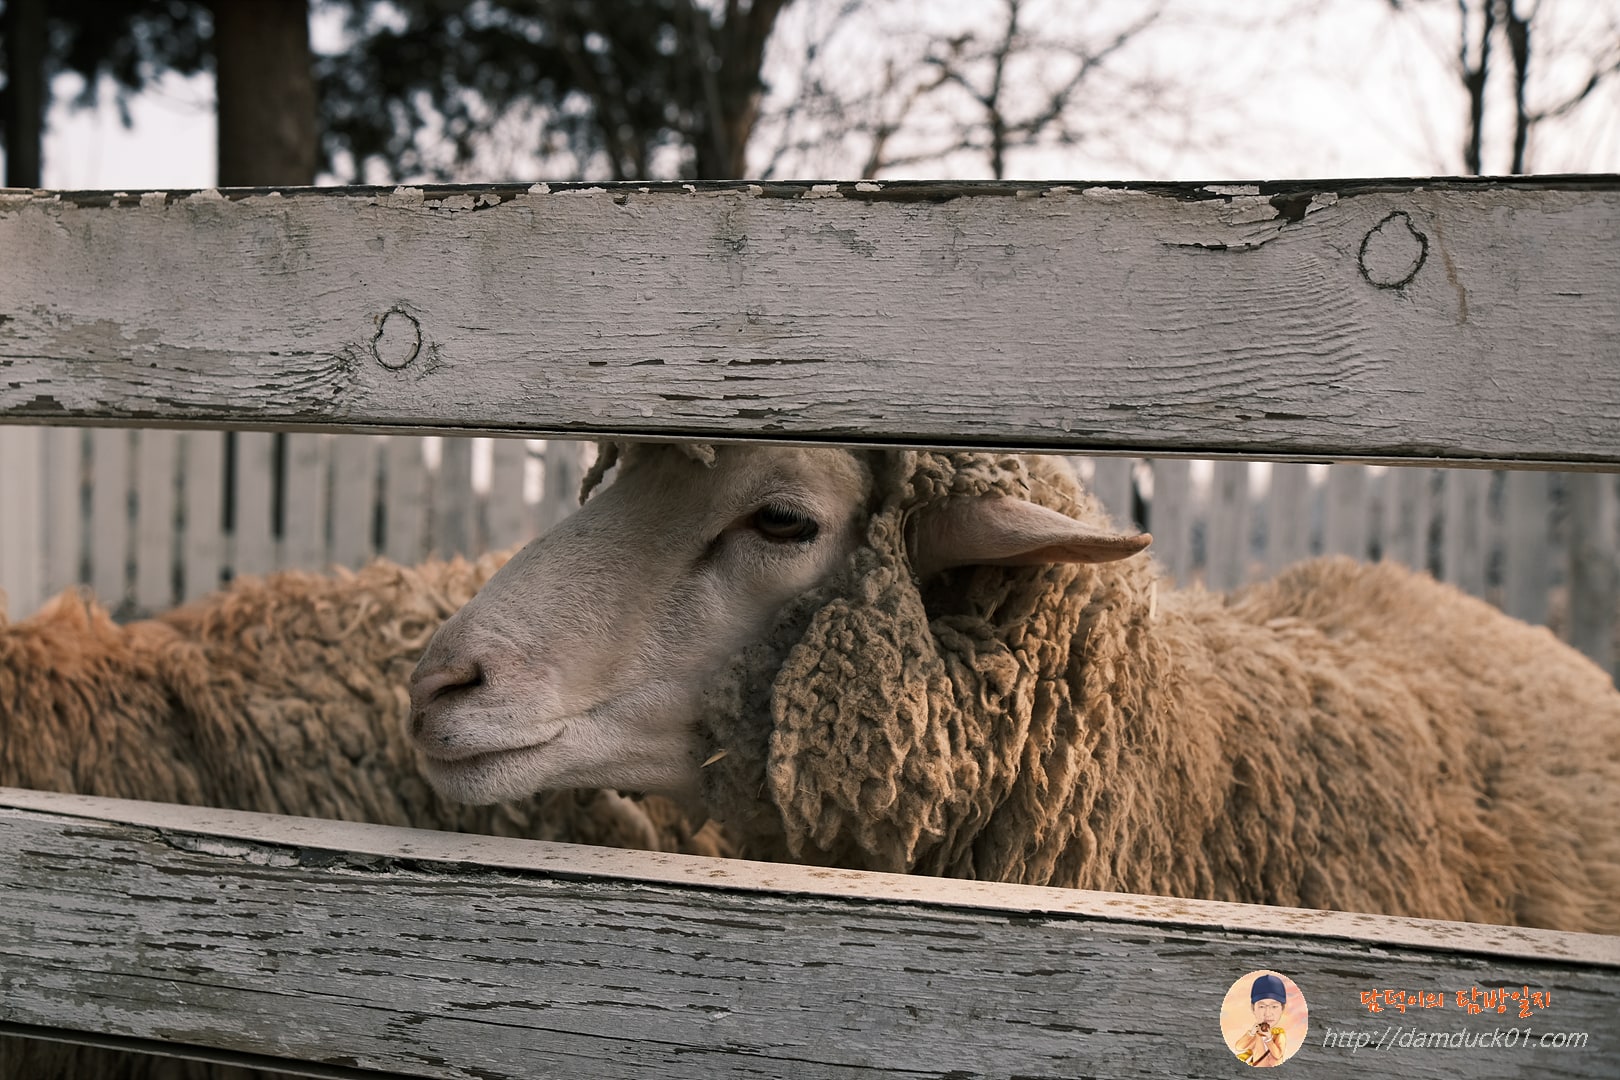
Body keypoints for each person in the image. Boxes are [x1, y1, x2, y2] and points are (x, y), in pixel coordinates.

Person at [1234, 973, 1289, 1066]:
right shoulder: (1256, 1034)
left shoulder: (1279, 1035)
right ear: (1253, 1008)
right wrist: (1251, 1033)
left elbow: (1277, 1055)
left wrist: (1269, 1039)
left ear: (1282, 1009)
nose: (1267, 1013)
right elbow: (1239, 1047)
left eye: (1274, 1006)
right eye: (1262, 1006)